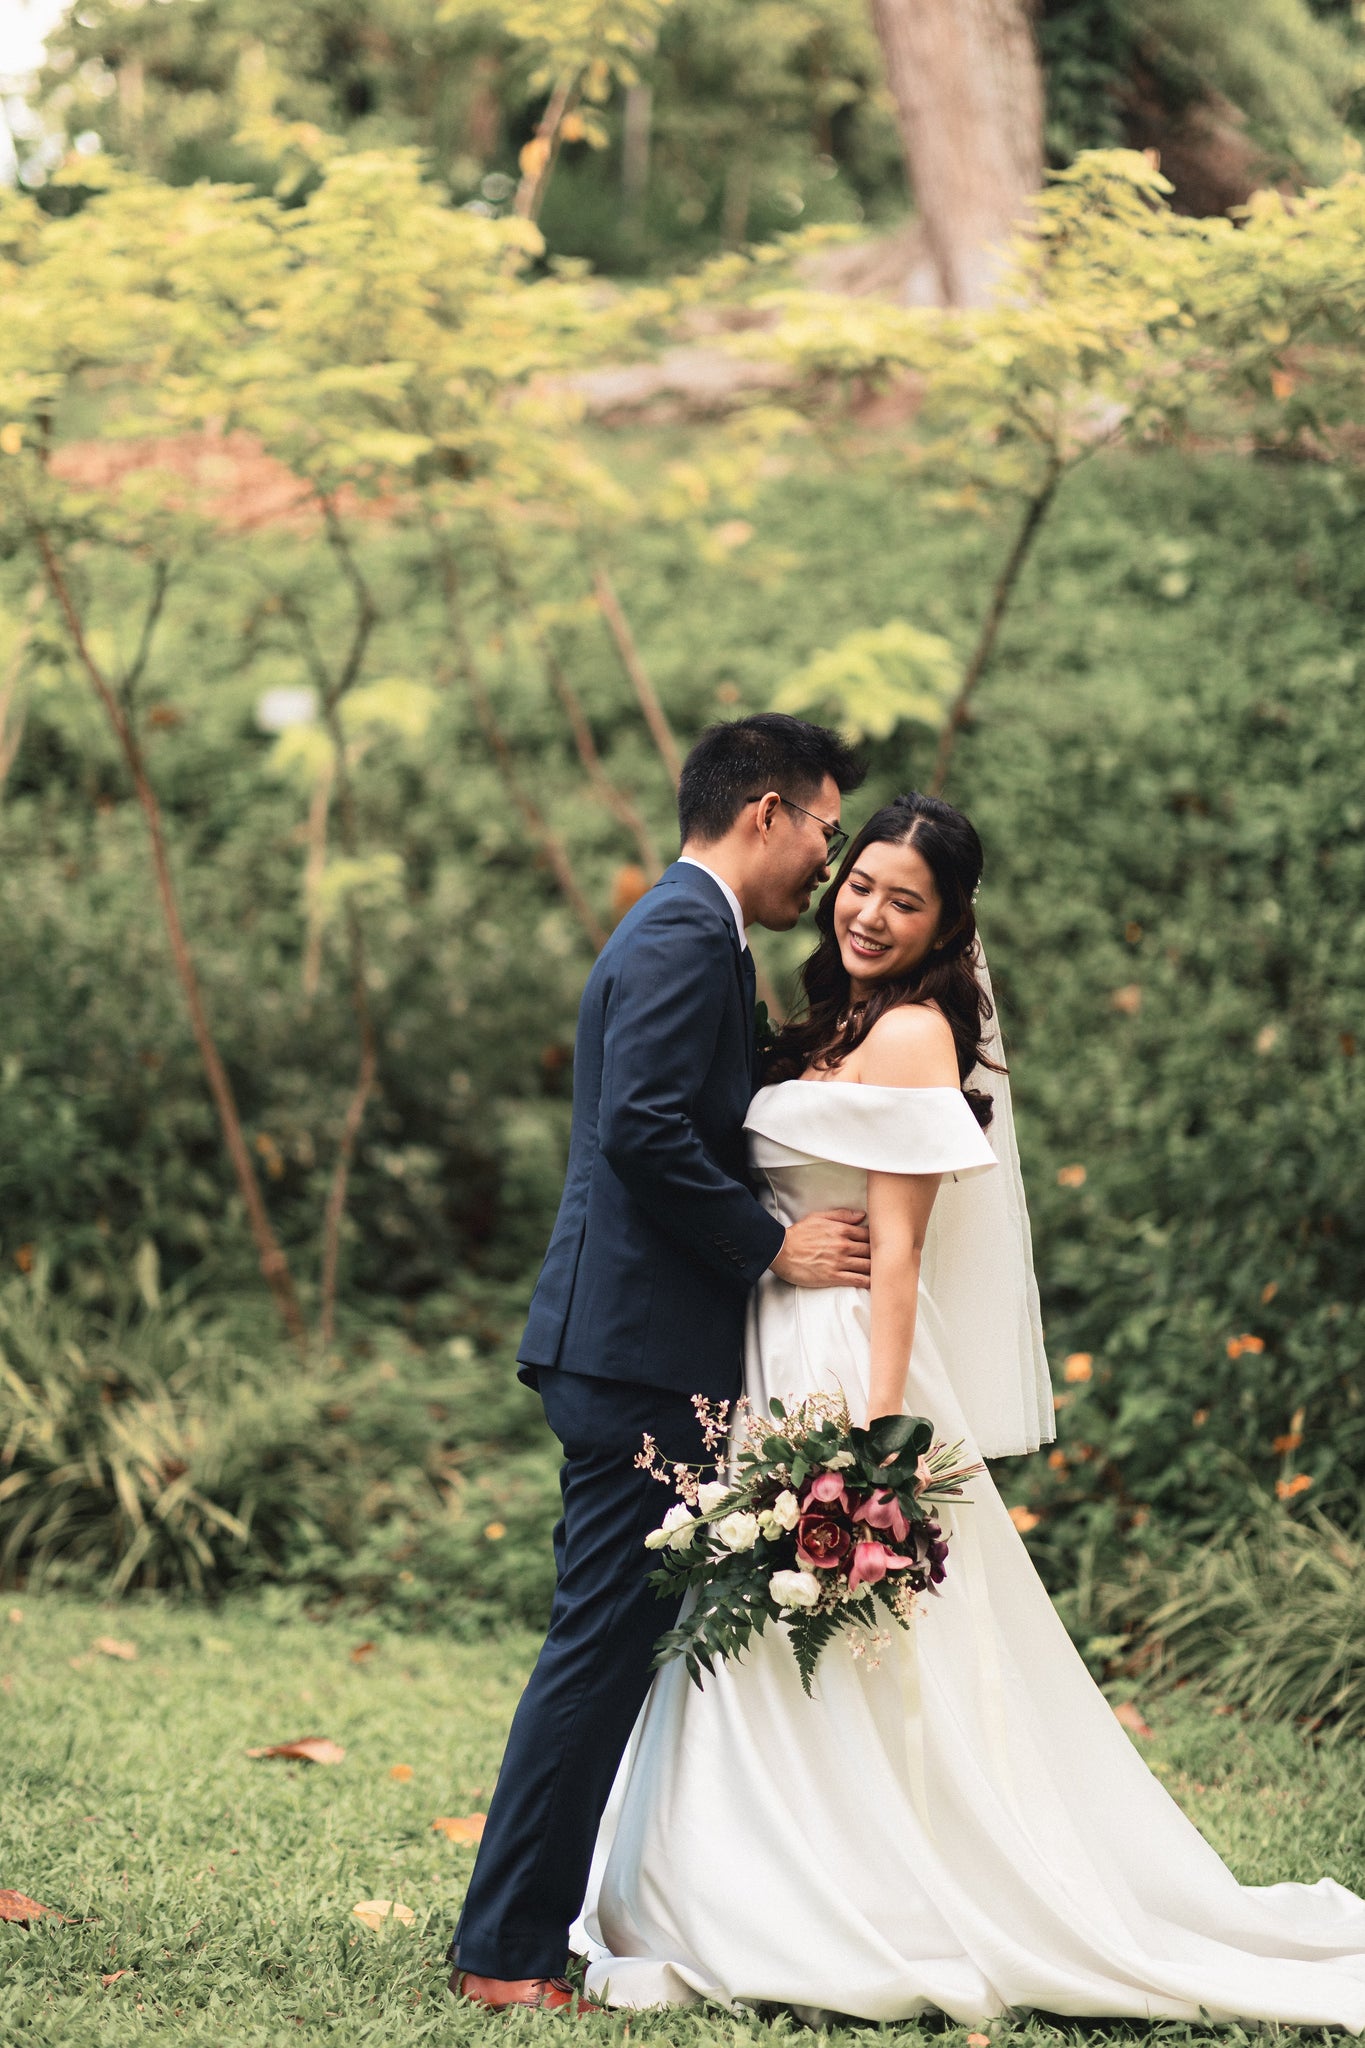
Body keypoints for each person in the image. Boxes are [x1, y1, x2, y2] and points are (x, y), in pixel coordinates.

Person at [574, 792, 1365, 2028]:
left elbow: (900, 1260)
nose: (872, 913)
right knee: (758, 1638)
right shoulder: (832, 1021)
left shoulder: (914, 1037)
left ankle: (869, 1896)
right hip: (766, 1345)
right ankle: (723, 1879)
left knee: (866, 1640)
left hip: (844, 1364)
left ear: (948, 923)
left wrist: (865, 1451)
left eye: (907, 899)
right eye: (861, 885)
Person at [447, 713, 868, 2014]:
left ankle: (524, 1932)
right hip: (632, 1354)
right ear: (763, 810)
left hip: (625, 1345)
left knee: (607, 1644)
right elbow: (640, 1130)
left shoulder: (682, 930)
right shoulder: (687, 935)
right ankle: (506, 1953)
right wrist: (771, 1248)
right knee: (596, 1648)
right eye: (824, 827)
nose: (826, 858)